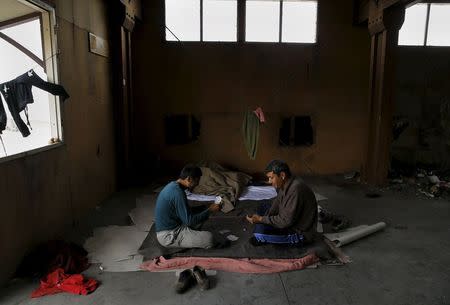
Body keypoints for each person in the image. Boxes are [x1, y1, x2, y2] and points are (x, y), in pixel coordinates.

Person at [246, 160, 318, 245]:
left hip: (299, 233)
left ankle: (264, 237)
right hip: (288, 219)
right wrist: (264, 218)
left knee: (259, 234)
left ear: (282, 175)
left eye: (271, 177)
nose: (269, 181)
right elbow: (277, 203)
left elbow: (285, 221)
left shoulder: (296, 189)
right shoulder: (287, 182)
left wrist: (261, 219)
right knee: (262, 206)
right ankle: (264, 226)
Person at [155, 164, 221, 249]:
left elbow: (184, 211)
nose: (197, 184)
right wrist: (210, 210)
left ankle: (192, 234)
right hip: (168, 235)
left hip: (176, 224)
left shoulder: (173, 186)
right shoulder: (178, 193)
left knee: (202, 211)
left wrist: (206, 207)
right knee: (209, 238)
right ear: (189, 179)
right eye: (197, 181)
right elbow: (189, 221)